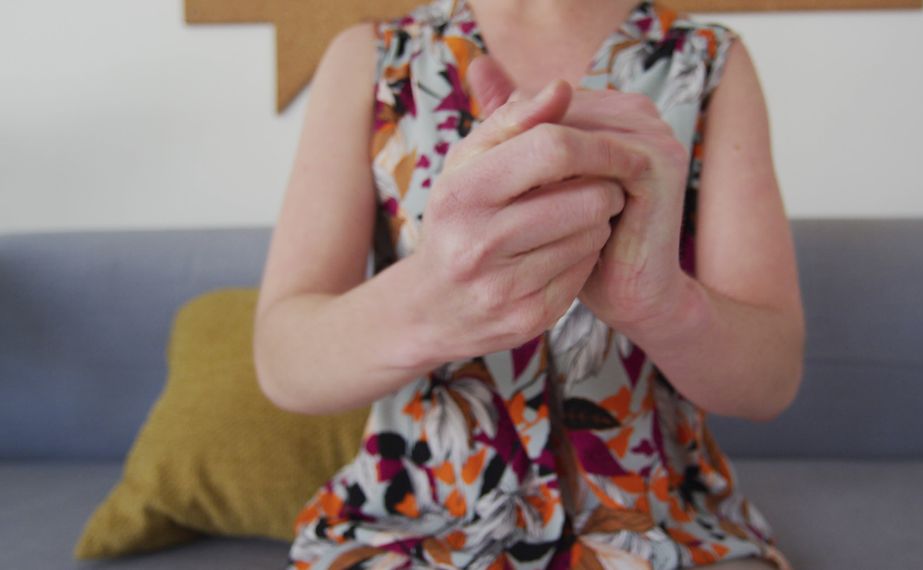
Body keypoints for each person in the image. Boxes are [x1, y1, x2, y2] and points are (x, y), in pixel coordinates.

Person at [252, 0, 804, 568]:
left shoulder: (707, 63)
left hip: (665, 531)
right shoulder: (373, 60)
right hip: (415, 524)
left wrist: (661, 305)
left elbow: (771, 382)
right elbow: (283, 362)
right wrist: (434, 299)